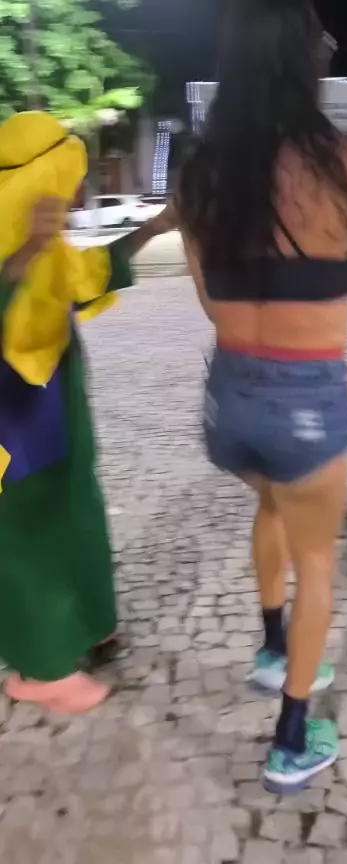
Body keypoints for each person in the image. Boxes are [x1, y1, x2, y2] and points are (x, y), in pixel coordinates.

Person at [175, 0, 347, 793]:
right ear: (307, 60)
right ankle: (292, 739)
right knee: (317, 560)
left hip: (229, 404)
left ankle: (272, 649)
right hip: (306, 405)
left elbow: (211, 303)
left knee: (272, 504)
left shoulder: (200, 170)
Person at [0, 111, 174, 714]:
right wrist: (27, 252)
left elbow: (89, 274)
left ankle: (90, 622)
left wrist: (159, 225)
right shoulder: (22, 244)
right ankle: (41, 668)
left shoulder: (43, 246)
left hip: (55, 418)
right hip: (11, 433)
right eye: (70, 178)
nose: (78, 192)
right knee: (23, 536)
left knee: (76, 509)